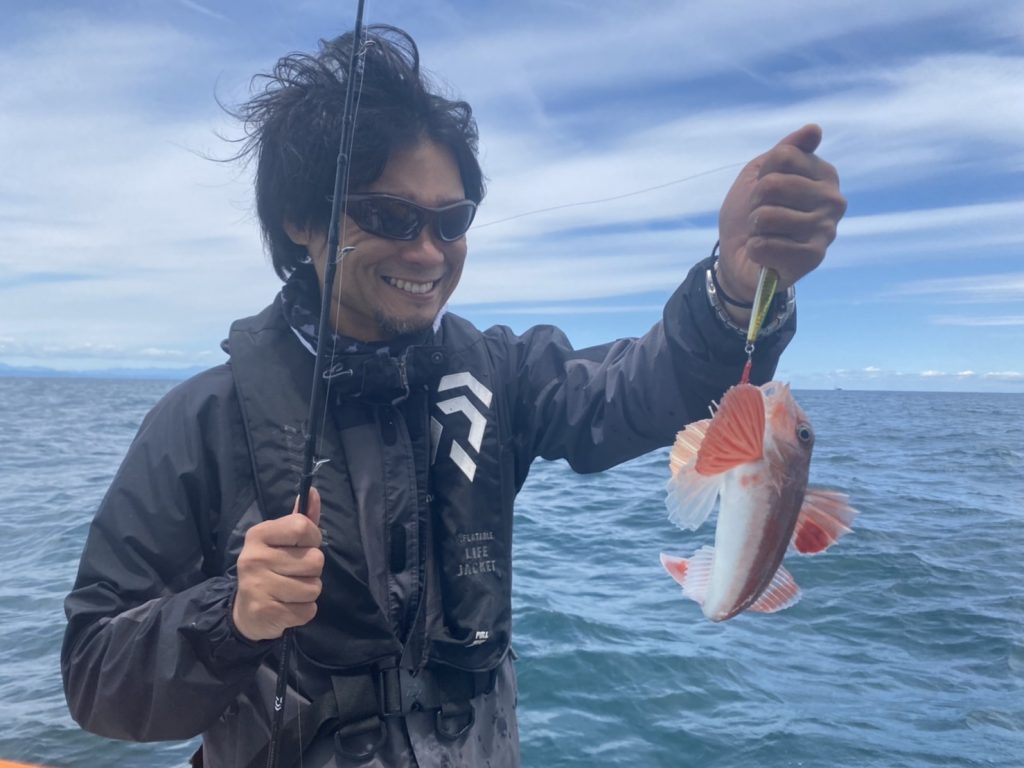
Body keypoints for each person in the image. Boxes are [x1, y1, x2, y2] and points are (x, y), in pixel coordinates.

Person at [61, 24, 846, 768]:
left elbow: (638, 391)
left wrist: (735, 291)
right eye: (390, 216)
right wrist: (231, 616)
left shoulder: (502, 376)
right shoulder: (200, 423)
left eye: (451, 220)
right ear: (301, 219)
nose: (428, 251)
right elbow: (95, 676)